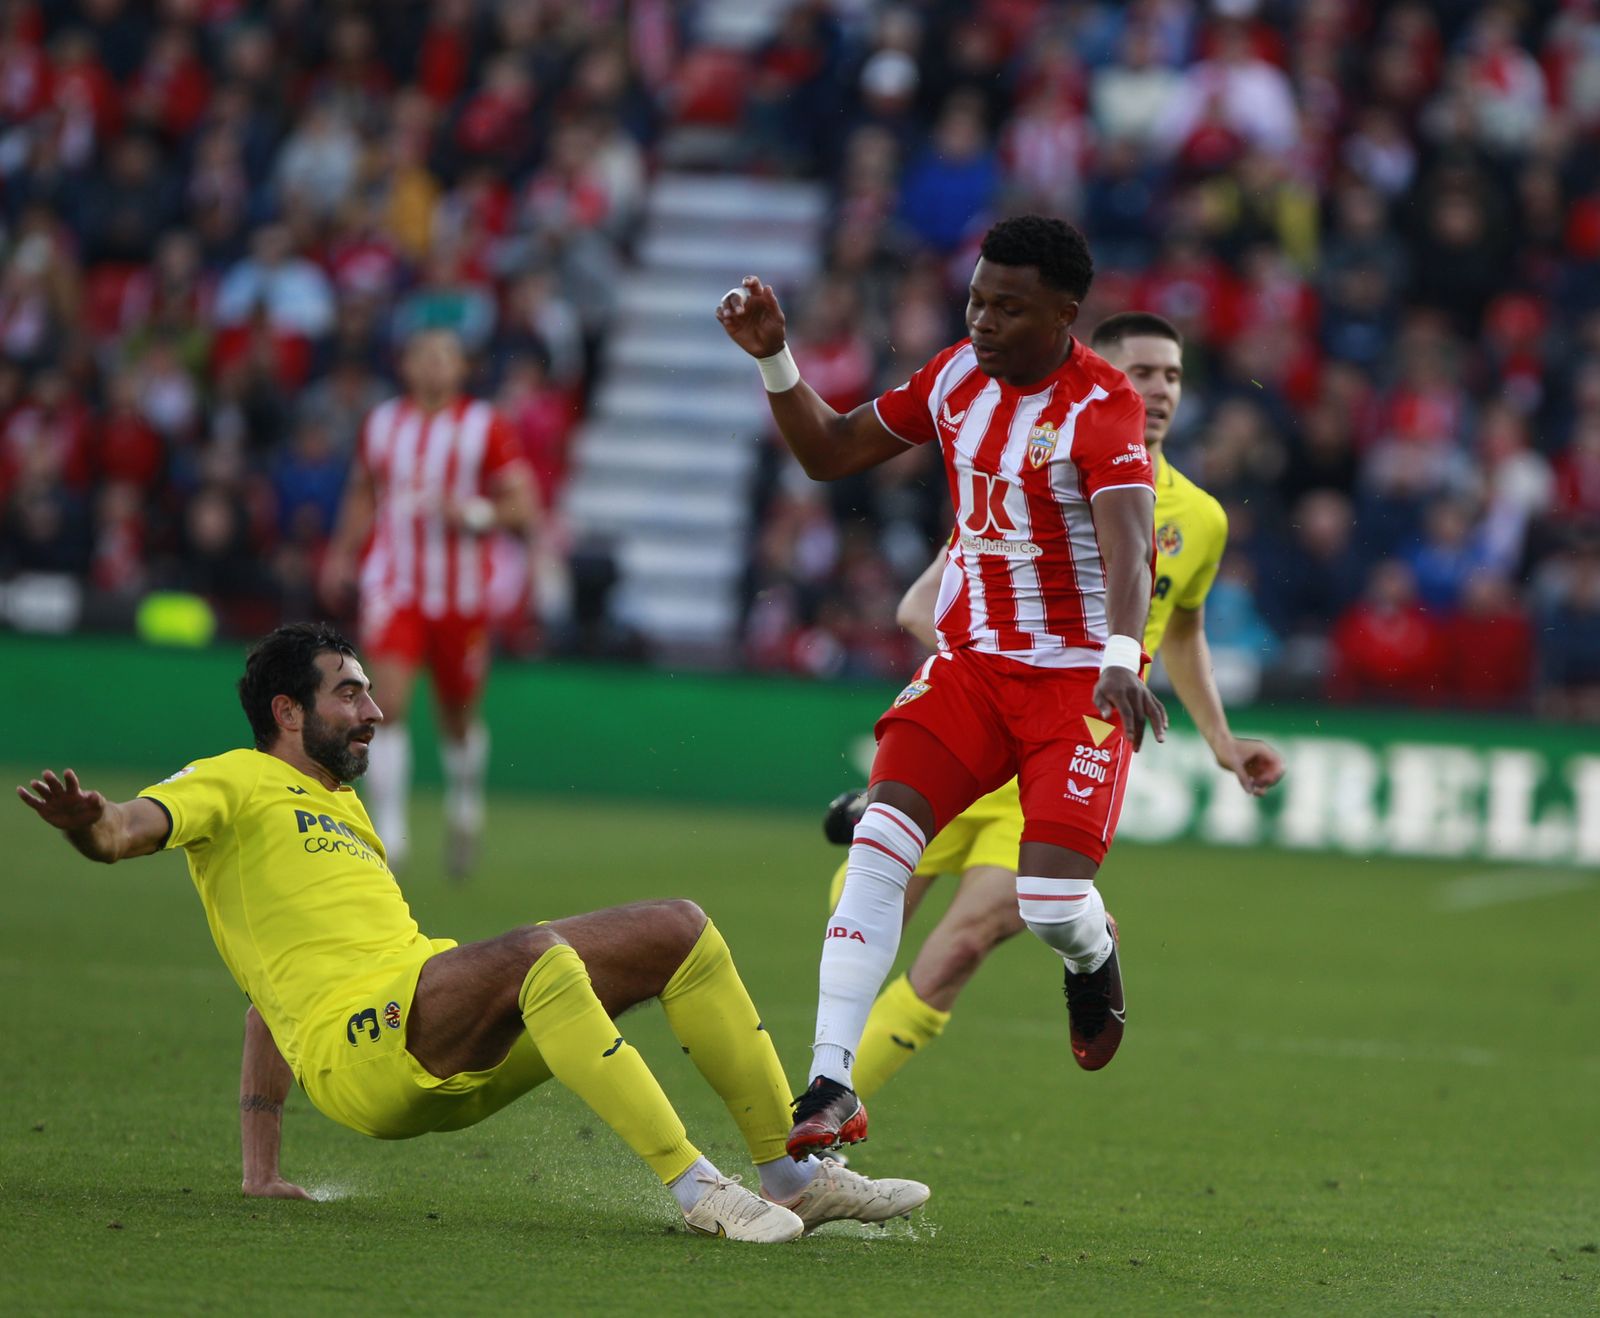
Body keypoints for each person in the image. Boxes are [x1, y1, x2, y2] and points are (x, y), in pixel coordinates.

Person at [15, 623, 929, 1243]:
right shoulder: (232, 780)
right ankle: (701, 1194)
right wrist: (90, 826)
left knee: (679, 930)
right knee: (536, 951)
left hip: (433, 1009)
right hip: (366, 1054)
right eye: (350, 694)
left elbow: (265, 996)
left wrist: (262, 1171)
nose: (373, 710)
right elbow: (127, 830)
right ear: (287, 712)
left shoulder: (342, 810)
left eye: (370, 692)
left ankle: (790, 1179)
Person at [718, 215, 1171, 1159]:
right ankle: (832, 1084)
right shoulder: (954, 376)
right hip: (968, 669)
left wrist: (1123, 659)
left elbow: (1130, 544)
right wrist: (776, 362)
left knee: (1048, 907)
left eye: (1009, 307)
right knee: (881, 839)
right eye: (976, 299)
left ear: (1064, 316)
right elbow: (832, 450)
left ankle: (1094, 953)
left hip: (1071, 689)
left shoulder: (1104, 405)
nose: (983, 321)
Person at [819, 312, 1287, 1105]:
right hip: (983, 726)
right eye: (1140, 373)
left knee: (961, 947)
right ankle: (814, 1099)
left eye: (1171, 376)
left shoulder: (1199, 519)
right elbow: (916, 608)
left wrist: (1220, 738)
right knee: (860, 909)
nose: (1158, 390)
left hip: (1065, 746)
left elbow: (1182, 628)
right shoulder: (1032, 473)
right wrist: (1009, 664)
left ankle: (822, 1124)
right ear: (1099, 378)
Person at [322, 327, 536, 879]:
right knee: (385, 701)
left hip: (461, 595)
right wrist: (342, 553)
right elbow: (362, 492)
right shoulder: (383, 423)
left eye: (444, 357)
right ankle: (390, 832)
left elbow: (524, 505)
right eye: (423, 356)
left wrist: (473, 514)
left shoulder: (484, 426)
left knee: (458, 718)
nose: (434, 367)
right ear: (407, 365)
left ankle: (465, 803)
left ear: (461, 368)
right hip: (395, 588)